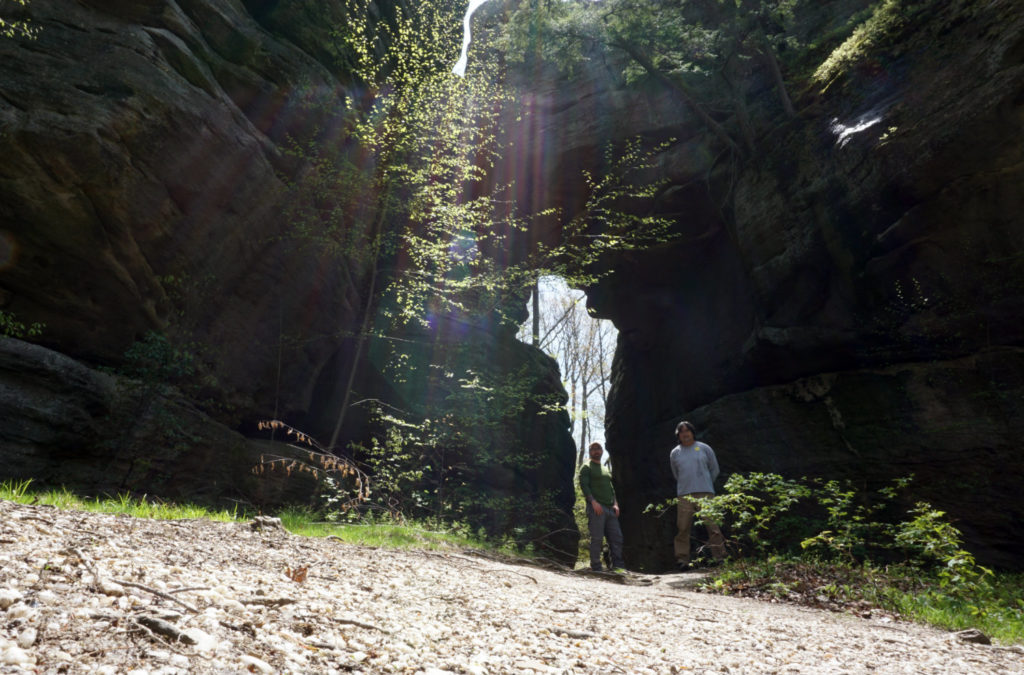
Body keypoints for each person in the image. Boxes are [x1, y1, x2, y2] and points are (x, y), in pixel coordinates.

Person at [669, 421, 726, 571]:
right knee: (682, 528)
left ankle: (719, 558)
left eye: (687, 431)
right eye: (681, 432)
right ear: (678, 435)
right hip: (684, 495)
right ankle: (682, 561)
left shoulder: (704, 448)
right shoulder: (675, 452)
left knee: (712, 526)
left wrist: (705, 483)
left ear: (693, 432)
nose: (685, 434)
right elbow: (676, 474)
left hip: (706, 492)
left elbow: (715, 469)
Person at [579, 442, 626, 573]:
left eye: (598, 449)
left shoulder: (605, 469)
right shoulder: (586, 467)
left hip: (610, 509)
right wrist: (593, 502)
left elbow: (611, 488)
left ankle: (618, 567)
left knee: (616, 538)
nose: (596, 451)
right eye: (593, 449)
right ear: (590, 452)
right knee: (597, 538)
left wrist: (615, 504)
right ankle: (596, 568)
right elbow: (585, 486)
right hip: (596, 508)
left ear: (602, 451)